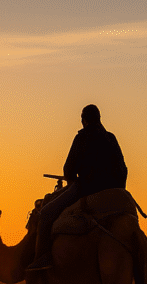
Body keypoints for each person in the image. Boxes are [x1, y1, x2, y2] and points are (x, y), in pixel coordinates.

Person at [26, 104, 128, 271]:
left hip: (87, 188)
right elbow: (123, 169)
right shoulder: (111, 138)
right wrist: (117, 189)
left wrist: (74, 182)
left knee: (46, 213)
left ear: (84, 120)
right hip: (114, 192)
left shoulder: (82, 138)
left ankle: (44, 257)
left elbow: (68, 170)